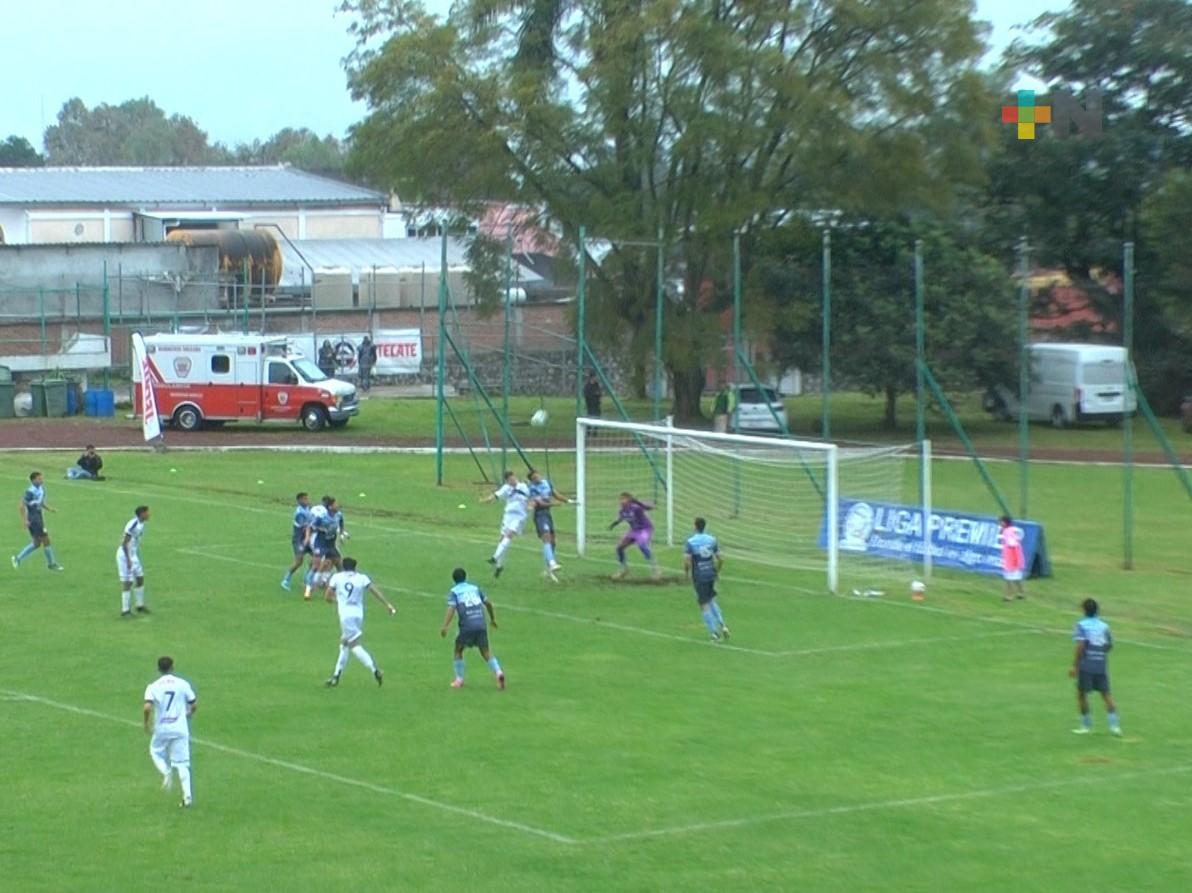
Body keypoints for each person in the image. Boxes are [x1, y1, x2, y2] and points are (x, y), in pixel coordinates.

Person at [324, 557, 395, 687]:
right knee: (344, 644)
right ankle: (336, 676)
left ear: (343, 566)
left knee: (354, 645)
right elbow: (374, 591)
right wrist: (387, 604)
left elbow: (327, 596)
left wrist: (338, 600)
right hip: (358, 615)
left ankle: (375, 670)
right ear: (355, 567)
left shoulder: (337, 577)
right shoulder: (361, 578)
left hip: (345, 616)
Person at [143, 655, 197, 808]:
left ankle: (166, 771)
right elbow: (193, 704)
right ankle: (187, 797)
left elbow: (147, 707)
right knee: (183, 763)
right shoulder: (183, 684)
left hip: (162, 728)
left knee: (155, 751)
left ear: (158, 669)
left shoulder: (153, 686)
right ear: (172, 667)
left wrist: (147, 724)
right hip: (180, 728)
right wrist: (188, 714)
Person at [440, 567, 504, 690]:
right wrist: (492, 619)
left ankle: (459, 679)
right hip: (481, 623)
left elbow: (451, 609)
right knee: (486, 652)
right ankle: (498, 672)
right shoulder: (475, 588)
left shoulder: (454, 592)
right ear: (466, 577)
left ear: (454, 580)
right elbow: (488, 603)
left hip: (467, 625)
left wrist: (445, 626)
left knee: (458, 650)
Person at [1070, 598, 1122, 736]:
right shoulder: (1104, 626)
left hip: (1086, 664)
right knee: (1106, 694)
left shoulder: (1081, 625)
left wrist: (1075, 666)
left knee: (1081, 694)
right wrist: (1100, 654)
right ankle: (1115, 726)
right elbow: (1110, 645)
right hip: (1100, 664)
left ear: (1084, 610)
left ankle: (1086, 726)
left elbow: (1080, 646)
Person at [684, 517, 730, 641]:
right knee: (711, 600)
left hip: (699, 577)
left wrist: (687, 573)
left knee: (704, 605)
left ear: (695, 526)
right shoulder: (712, 540)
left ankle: (714, 633)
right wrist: (717, 572)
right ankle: (723, 625)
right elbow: (721, 559)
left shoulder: (691, 542)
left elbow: (687, 561)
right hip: (710, 575)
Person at [481, 470, 530, 578]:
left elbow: (530, 498)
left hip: (519, 516)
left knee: (509, 534)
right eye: (509, 480)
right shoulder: (506, 488)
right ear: (507, 481)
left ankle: (494, 557)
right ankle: (499, 566)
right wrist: (486, 500)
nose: (512, 481)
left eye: (513, 478)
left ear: (515, 477)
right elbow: (496, 495)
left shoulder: (523, 486)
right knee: (502, 539)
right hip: (508, 516)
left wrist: (529, 505)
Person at [12, 471, 63, 571]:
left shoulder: (41, 489)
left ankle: (17, 558)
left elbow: (40, 502)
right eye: (39, 479)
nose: (42, 480)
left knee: (37, 543)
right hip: (34, 518)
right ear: (33, 480)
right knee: (46, 540)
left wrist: (49, 509)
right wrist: (25, 520)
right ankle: (51, 564)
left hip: (38, 517)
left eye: (42, 478)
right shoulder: (29, 491)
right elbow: (21, 506)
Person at [304, 496, 346, 601]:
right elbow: (310, 527)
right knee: (315, 565)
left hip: (331, 544)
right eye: (336, 504)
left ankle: (340, 589)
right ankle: (308, 590)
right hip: (321, 543)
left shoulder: (339, 515)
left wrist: (341, 534)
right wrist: (308, 537)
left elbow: (341, 523)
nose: (338, 505)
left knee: (340, 565)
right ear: (330, 507)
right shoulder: (322, 517)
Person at [527, 468, 566, 582]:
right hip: (540, 515)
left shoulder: (546, 483)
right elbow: (540, 503)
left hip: (547, 514)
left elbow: (555, 494)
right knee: (546, 537)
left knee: (553, 541)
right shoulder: (533, 489)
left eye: (537, 476)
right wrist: (554, 504)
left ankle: (548, 569)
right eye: (534, 478)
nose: (537, 478)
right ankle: (552, 563)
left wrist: (568, 500)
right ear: (532, 481)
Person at [609, 492, 658, 579]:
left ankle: (655, 570)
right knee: (619, 547)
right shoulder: (622, 511)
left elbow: (647, 508)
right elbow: (620, 519)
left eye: (623, 499)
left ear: (629, 500)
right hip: (634, 531)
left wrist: (637, 501)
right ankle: (623, 570)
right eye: (620, 499)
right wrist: (613, 525)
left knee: (642, 545)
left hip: (645, 529)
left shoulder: (636, 508)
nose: (621, 501)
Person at [117, 505, 151, 617]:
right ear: (142, 514)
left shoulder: (142, 524)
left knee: (140, 578)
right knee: (128, 582)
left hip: (133, 555)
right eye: (147, 512)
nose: (149, 514)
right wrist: (128, 560)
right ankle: (125, 610)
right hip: (125, 555)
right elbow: (124, 543)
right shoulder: (133, 524)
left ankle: (139, 605)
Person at [281, 492, 313, 592]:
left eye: (307, 498)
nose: (307, 500)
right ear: (299, 501)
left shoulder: (308, 508)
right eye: (305, 499)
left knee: (316, 558)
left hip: (308, 538)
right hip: (299, 540)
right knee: (299, 561)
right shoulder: (299, 513)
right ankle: (286, 580)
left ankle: (307, 578)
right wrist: (309, 535)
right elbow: (304, 527)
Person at [1000, 515, 1026, 602]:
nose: (1000, 523)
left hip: (1011, 559)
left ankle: (1009, 595)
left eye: (1001, 522)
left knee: (1009, 578)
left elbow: (1012, 544)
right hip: (1016, 558)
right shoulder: (1013, 530)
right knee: (1017, 578)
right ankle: (1021, 593)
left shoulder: (1007, 532)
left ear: (1005, 522)